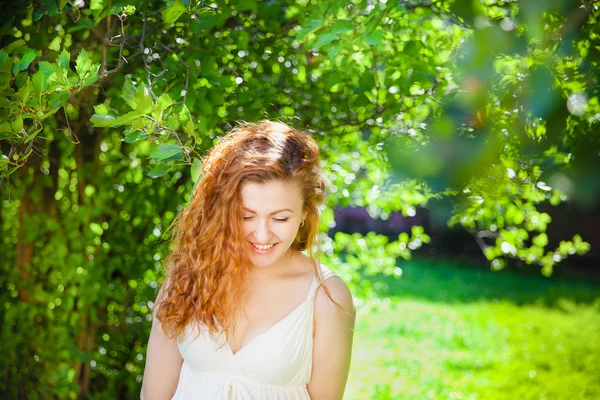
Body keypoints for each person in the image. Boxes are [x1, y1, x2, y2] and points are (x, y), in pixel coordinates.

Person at [140, 120, 356, 399]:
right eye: (246, 216)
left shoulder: (327, 296)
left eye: (280, 218)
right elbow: (154, 394)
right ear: (224, 211)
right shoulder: (189, 274)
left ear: (304, 213)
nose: (262, 235)